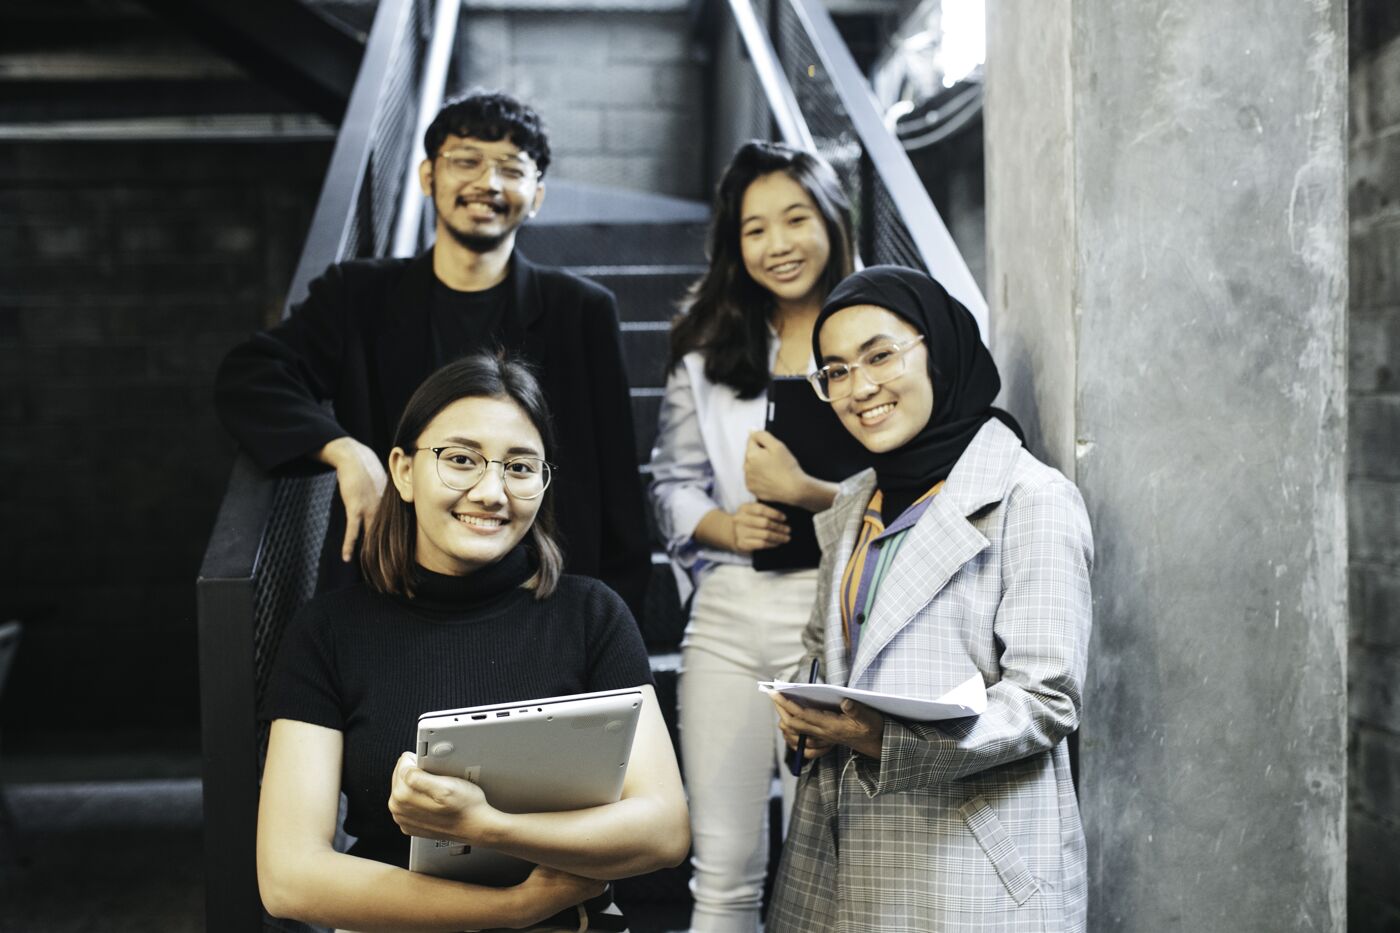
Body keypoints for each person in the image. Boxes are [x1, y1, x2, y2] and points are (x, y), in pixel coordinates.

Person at [255, 352, 689, 933]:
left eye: (519, 467)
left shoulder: (592, 616)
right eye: (460, 460)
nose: (491, 491)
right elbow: (288, 876)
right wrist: (513, 910)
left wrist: (486, 826)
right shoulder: (329, 631)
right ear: (403, 472)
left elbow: (664, 831)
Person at [215, 89, 650, 613]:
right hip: (390, 589)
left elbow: (620, 492)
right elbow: (250, 375)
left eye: (511, 169)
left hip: (537, 598)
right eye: (465, 160)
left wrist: (617, 619)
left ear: (536, 195)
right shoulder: (359, 296)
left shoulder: (581, 311)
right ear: (428, 176)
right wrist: (343, 450)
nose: (487, 183)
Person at [766, 265, 1093, 932]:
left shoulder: (1031, 497)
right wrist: (806, 707)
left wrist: (886, 736)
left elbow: (1047, 698)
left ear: (938, 351)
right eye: (835, 371)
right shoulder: (856, 499)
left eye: (880, 355)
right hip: (838, 861)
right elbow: (822, 652)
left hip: (969, 869)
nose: (860, 388)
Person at [648, 141, 855, 932]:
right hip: (730, 618)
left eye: (796, 218)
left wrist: (810, 494)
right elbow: (670, 481)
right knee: (724, 876)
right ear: (734, 244)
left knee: (831, 876)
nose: (779, 244)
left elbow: (920, 492)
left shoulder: (878, 338)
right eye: (754, 228)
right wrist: (725, 525)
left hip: (842, 621)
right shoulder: (708, 350)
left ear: (833, 219)